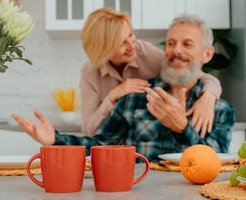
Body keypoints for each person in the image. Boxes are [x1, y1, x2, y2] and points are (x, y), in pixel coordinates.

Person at [12, 15, 234, 161]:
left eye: (187, 44)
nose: (176, 51)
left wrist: (182, 127)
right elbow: (99, 144)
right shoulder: (135, 98)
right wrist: (56, 140)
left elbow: (216, 164)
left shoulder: (220, 110)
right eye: (170, 43)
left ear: (207, 54)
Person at [80, 8, 222, 137]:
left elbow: (194, 72)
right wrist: (111, 97)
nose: (131, 45)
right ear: (103, 48)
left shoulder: (146, 54)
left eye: (131, 35)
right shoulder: (90, 73)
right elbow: (89, 131)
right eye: (121, 42)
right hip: (111, 142)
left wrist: (208, 97)